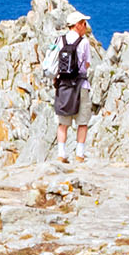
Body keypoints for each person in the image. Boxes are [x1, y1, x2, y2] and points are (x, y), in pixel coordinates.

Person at [48, 12, 94, 161]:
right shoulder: (84, 42)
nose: (86, 27)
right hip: (81, 85)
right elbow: (87, 63)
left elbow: (52, 60)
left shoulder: (59, 40)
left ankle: (61, 154)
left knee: (63, 123)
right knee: (82, 122)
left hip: (63, 86)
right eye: (84, 23)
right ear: (77, 25)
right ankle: (79, 154)